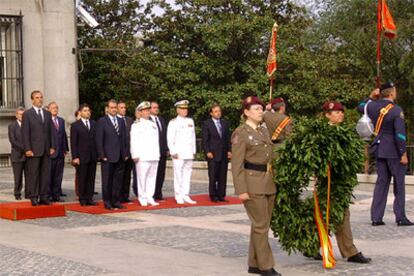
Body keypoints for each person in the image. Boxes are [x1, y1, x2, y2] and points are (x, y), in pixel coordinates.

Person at [231, 95, 280, 276]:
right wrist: (241, 190)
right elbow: (236, 165)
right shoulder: (241, 133)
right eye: (256, 109)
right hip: (252, 184)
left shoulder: (263, 130)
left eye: (261, 108)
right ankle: (266, 266)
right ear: (246, 112)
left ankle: (254, 263)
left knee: (260, 225)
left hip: (268, 182)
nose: (261, 112)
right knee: (261, 226)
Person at [321, 101, 372, 263]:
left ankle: (348, 251)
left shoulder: (344, 132)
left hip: (341, 181)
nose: (340, 114)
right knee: (329, 215)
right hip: (327, 181)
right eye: (336, 112)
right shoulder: (322, 134)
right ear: (327, 115)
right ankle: (349, 251)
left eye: (341, 112)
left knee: (338, 215)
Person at [358, 82, 413, 226]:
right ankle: (400, 217)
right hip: (394, 151)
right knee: (399, 185)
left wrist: (370, 96)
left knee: (381, 183)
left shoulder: (372, 106)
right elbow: (400, 134)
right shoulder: (396, 110)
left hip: (379, 149)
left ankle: (376, 218)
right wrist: (403, 153)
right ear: (391, 93)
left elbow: (360, 106)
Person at [21, 90, 56, 206]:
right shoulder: (27, 114)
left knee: (45, 175)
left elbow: (51, 131)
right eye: (37, 97)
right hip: (34, 150)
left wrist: (52, 146)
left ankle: (44, 196)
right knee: (34, 175)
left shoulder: (47, 114)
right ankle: (34, 196)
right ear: (32, 100)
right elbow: (25, 133)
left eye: (41, 97)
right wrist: (27, 149)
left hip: (46, 150)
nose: (40, 99)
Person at [96, 99, 129, 210]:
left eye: (115, 107)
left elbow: (124, 138)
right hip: (108, 156)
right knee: (107, 181)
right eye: (112, 107)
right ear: (107, 109)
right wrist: (102, 155)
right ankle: (108, 202)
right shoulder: (102, 121)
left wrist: (125, 153)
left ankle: (116, 201)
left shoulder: (120, 121)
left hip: (120, 156)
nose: (114, 109)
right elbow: (99, 140)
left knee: (118, 180)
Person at [130, 101, 160, 206]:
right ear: (140, 112)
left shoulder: (153, 124)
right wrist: (134, 154)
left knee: (152, 178)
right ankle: (142, 197)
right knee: (142, 178)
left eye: (148, 110)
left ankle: (150, 197)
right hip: (142, 156)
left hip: (153, 155)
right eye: (145, 110)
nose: (147, 112)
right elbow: (133, 141)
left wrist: (157, 154)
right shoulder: (136, 125)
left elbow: (156, 141)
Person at [167, 100, 197, 204]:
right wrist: (173, 151)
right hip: (178, 153)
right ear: (178, 110)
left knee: (187, 174)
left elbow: (193, 137)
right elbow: (170, 138)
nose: (185, 110)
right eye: (183, 108)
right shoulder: (173, 122)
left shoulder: (190, 121)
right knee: (178, 174)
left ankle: (185, 194)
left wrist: (193, 150)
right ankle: (178, 195)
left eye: (186, 108)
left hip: (188, 152)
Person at [201, 103, 231, 202]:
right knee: (213, 175)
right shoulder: (207, 124)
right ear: (211, 113)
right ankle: (213, 195)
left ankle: (221, 195)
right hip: (213, 154)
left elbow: (227, 138)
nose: (218, 113)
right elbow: (205, 139)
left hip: (223, 153)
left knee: (222, 175)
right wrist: (207, 151)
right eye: (216, 111)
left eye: (219, 111)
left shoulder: (224, 123)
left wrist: (229, 150)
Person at [71, 104, 98, 206]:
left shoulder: (94, 124)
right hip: (81, 157)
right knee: (82, 178)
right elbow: (74, 143)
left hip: (93, 155)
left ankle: (89, 198)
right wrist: (75, 157)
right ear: (80, 112)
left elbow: (96, 140)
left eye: (88, 110)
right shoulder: (75, 125)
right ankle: (82, 198)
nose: (87, 112)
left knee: (91, 178)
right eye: (85, 110)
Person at [48, 102, 69, 202]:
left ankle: (56, 195)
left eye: (56, 108)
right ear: (48, 109)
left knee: (58, 175)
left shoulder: (61, 121)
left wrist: (65, 149)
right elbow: (45, 137)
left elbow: (63, 135)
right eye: (53, 108)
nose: (55, 109)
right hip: (51, 153)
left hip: (60, 152)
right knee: (49, 175)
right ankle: (48, 195)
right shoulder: (46, 121)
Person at [150, 101, 169, 201]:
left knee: (161, 173)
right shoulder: (147, 120)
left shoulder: (161, 120)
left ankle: (158, 192)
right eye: (154, 107)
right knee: (152, 174)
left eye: (157, 107)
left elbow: (165, 135)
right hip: (152, 152)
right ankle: (151, 193)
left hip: (162, 151)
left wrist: (166, 148)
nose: (156, 109)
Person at [117, 100, 134, 203]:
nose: (124, 109)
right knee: (120, 175)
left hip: (129, 151)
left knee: (127, 175)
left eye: (124, 107)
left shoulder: (129, 120)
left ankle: (125, 195)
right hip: (119, 152)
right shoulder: (115, 120)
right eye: (121, 107)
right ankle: (118, 195)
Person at [8, 107, 26, 200]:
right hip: (17, 155)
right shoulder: (12, 126)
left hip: (28, 156)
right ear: (16, 115)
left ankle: (29, 192)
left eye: (23, 114)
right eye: (20, 114)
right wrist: (25, 149)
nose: (21, 116)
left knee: (30, 176)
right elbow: (13, 141)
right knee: (18, 176)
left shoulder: (28, 125)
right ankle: (17, 193)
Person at [132, 108, 141, 197]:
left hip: (145, 154)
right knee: (136, 174)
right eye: (137, 112)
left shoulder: (149, 123)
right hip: (135, 153)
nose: (139, 113)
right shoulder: (133, 124)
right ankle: (136, 189)